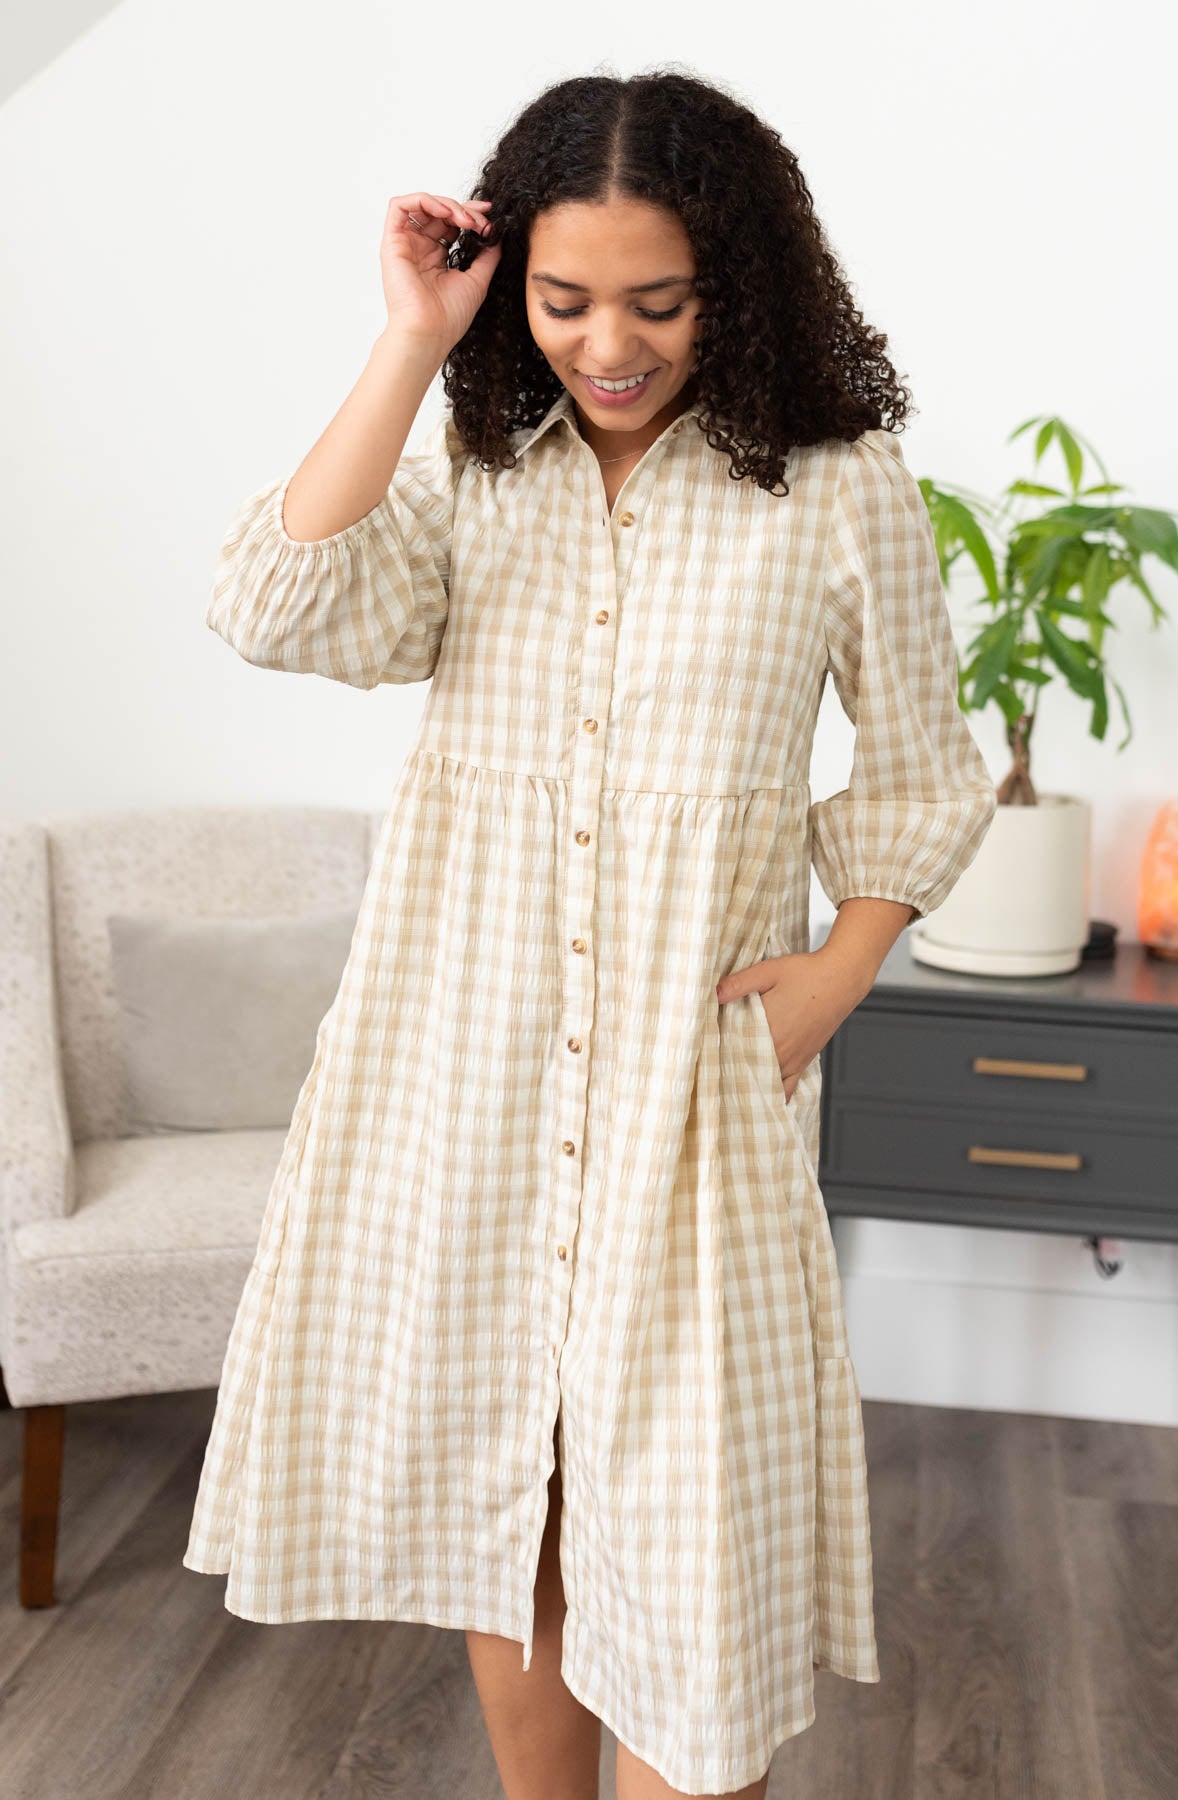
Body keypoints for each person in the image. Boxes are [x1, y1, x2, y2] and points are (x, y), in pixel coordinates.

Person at [183, 67, 997, 1800]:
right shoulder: (480, 468)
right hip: (454, 1069)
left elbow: (927, 773)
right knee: (516, 1499)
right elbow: (270, 600)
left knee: (688, 1550)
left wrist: (837, 977)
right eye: (564, 301)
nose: (606, 344)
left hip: (690, 1082)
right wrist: (416, 342)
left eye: (656, 300)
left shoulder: (838, 488)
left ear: (738, 285)